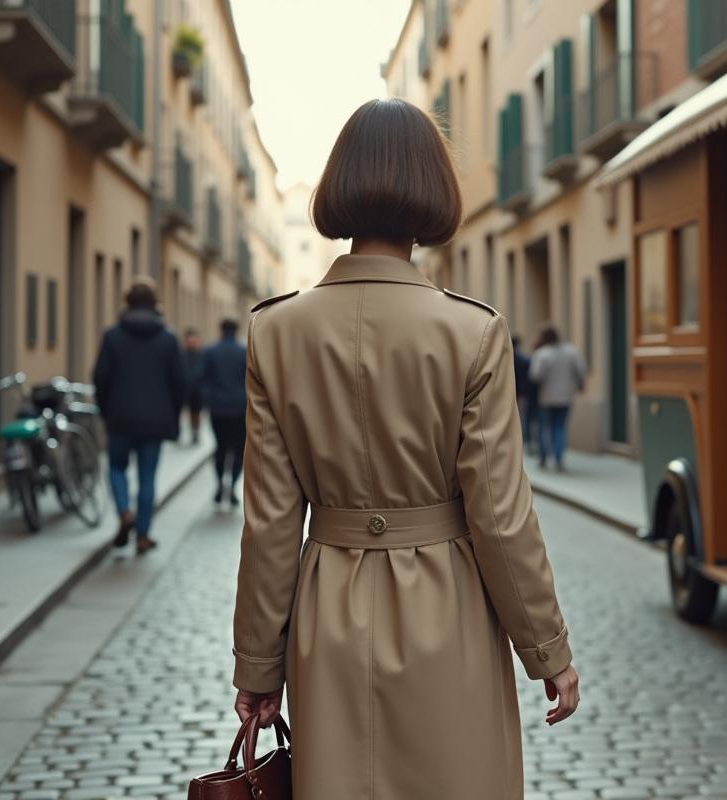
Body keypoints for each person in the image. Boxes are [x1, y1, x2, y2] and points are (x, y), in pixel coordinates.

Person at [230, 98, 579, 800]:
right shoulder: (472, 333)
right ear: (433, 189)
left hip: (326, 609)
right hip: (446, 611)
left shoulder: (277, 332)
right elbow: (501, 519)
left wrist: (258, 669)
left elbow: (269, 524)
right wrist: (547, 651)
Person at [92, 277, 185, 554]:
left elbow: (100, 378)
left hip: (120, 417)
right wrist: (173, 416)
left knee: (116, 468)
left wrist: (106, 411)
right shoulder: (168, 338)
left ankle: (124, 512)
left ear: (127, 301)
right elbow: (180, 382)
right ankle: (143, 535)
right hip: (155, 421)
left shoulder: (112, 335)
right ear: (155, 302)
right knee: (147, 477)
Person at [200, 318, 248, 506]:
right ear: (237, 330)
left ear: (220, 329)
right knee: (238, 449)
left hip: (218, 408)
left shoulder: (210, 351)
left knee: (220, 447)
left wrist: (208, 397)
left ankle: (220, 485)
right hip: (240, 408)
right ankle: (233, 486)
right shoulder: (245, 352)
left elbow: (199, 377)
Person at [529, 324, 587, 472]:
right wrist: (580, 385)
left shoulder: (542, 353)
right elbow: (581, 370)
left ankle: (543, 457)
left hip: (547, 397)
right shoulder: (571, 351)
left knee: (544, 427)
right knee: (559, 427)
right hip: (565, 396)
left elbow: (535, 375)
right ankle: (559, 460)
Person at [512, 334, 539, 453]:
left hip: (510, 392)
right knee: (523, 418)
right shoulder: (522, 359)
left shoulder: (503, 357)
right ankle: (526, 442)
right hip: (521, 393)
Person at [181, 328, 204, 444]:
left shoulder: (202, 354)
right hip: (183, 388)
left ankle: (195, 432)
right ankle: (178, 432)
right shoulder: (181, 355)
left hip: (197, 389)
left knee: (195, 412)